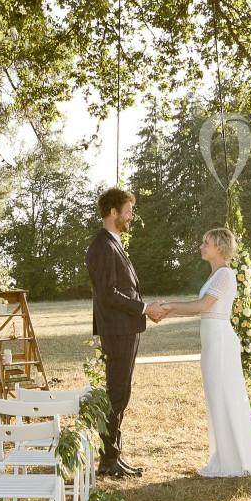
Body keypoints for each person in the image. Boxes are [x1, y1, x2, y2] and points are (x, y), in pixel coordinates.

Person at [154, 228, 251, 478]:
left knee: (227, 395)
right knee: (216, 397)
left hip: (220, 341)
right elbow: (203, 307)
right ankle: (225, 457)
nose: (201, 246)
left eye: (206, 243)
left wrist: (171, 307)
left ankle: (238, 459)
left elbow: (204, 306)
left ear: (219, 247)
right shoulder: (215, 274)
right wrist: (170, 309)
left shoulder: (225, 274)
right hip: (211, 341)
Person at [86, 187, 168, 478]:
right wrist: (144, 308)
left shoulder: (114, 243)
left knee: (122, 393)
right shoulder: (102, 246)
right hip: (117, 330)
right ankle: (109, 460)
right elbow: (109, 294)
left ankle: (113, 457)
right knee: (117, 394)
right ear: (113, 212)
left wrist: (143, 310)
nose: (131, 216)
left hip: (125, 328)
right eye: (128, 211)